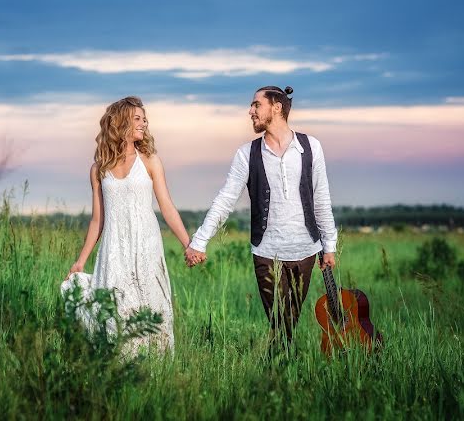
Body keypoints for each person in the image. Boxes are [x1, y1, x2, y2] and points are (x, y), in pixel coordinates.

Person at [184, 85, 339, 346]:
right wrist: (200, 240)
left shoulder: (311, 147)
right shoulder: (247, 154)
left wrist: (329, 246)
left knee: (290, 321)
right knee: (279, 321)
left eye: (256, 105)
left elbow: (321, 199)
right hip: (267, 251)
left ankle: (281, 368)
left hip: (306, 251)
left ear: (276, 107)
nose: (250, 111)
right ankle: (279, 370)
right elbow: (225, 200)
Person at [63, 96, 192, 354]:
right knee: (116, 307)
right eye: (137, 118)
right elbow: (97, 220)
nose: (144, 123)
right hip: (114, 246)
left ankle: (154, 365)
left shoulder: (150, 161)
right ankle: (119, 362)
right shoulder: (98, 168)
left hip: (146, 243)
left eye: (145, 119)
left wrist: (189, 244)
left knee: (149, 303)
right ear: (120, 122)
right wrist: (80, 260)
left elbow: (166, 206)